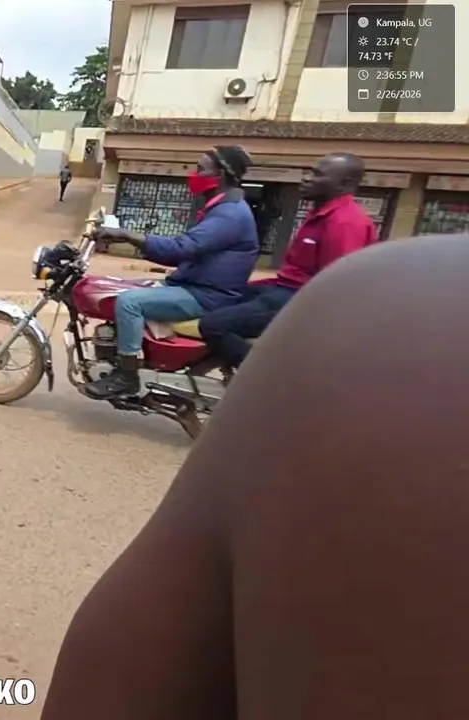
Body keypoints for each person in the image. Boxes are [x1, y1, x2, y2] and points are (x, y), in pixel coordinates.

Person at [41, 234, 469, 720]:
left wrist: (135, 240)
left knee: (131, 304)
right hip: (240, 290)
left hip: (228, 298)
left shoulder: (389, 292)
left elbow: (121, 662)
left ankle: (131, 374)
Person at [82, 146, 259, 400]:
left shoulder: (230, 214)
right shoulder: (222, 207)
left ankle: (127, 376)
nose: (194, 174)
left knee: (129, 302)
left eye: (200, 169)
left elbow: (181, 248)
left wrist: (126, 235)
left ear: (219, 174)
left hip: (206, 295)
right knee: (125, 287)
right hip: (194, 285)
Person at [198, 153, 378, 372]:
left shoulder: (345, 222)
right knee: (218, 298)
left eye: (318, 174)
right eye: (309, 172)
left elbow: (338, 283)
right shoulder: (320, 213)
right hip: (282, 287)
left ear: (344, 183)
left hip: (300, 298)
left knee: (214, 325)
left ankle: (265, 375)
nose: (306, 178)